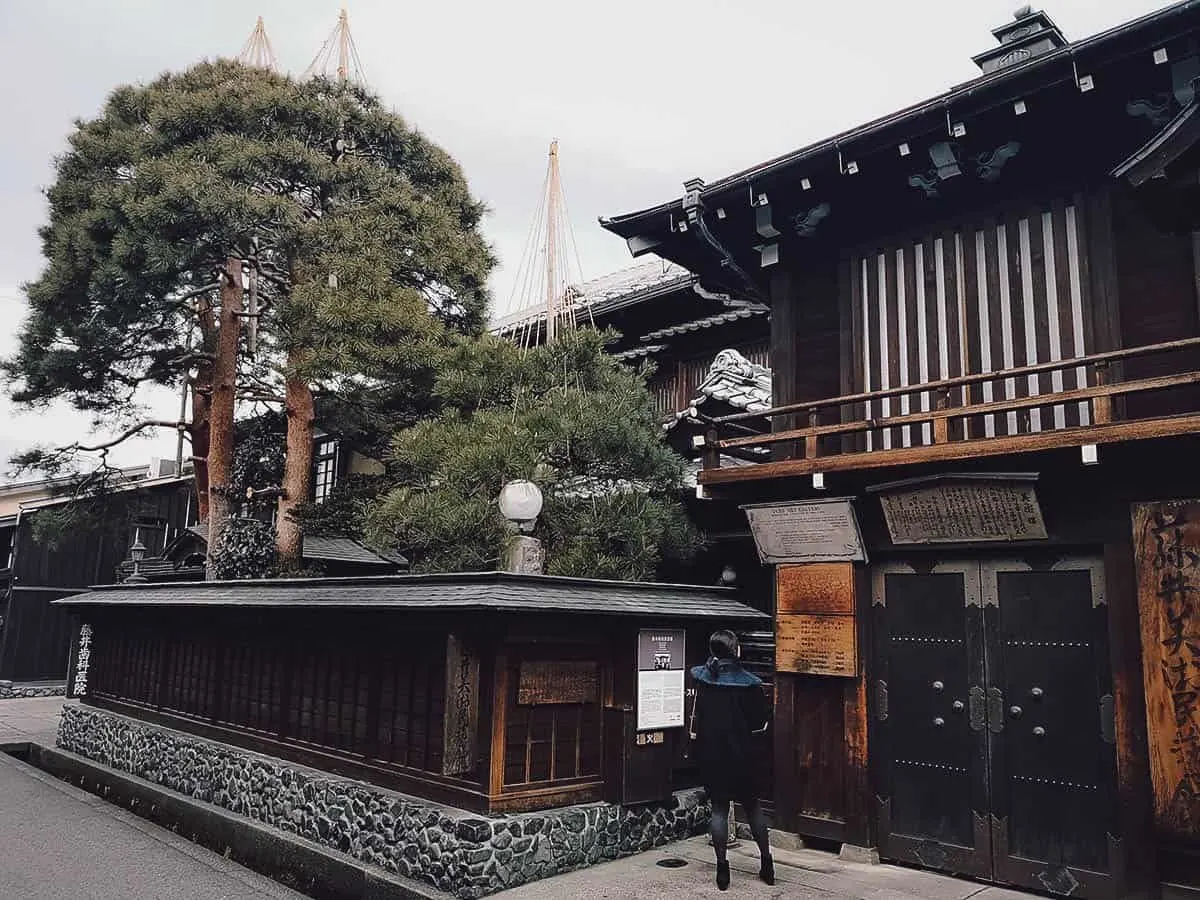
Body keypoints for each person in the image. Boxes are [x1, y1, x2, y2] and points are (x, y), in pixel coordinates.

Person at [688, 629, 773, 891]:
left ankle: (722, 868)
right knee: (753, 807)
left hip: (713, 753)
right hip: (743, 754)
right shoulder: (749, 685)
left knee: (719, 810)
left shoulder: (704, 680)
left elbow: (698, 717)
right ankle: (766, 862)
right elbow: (761, 722)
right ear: (736, 650)